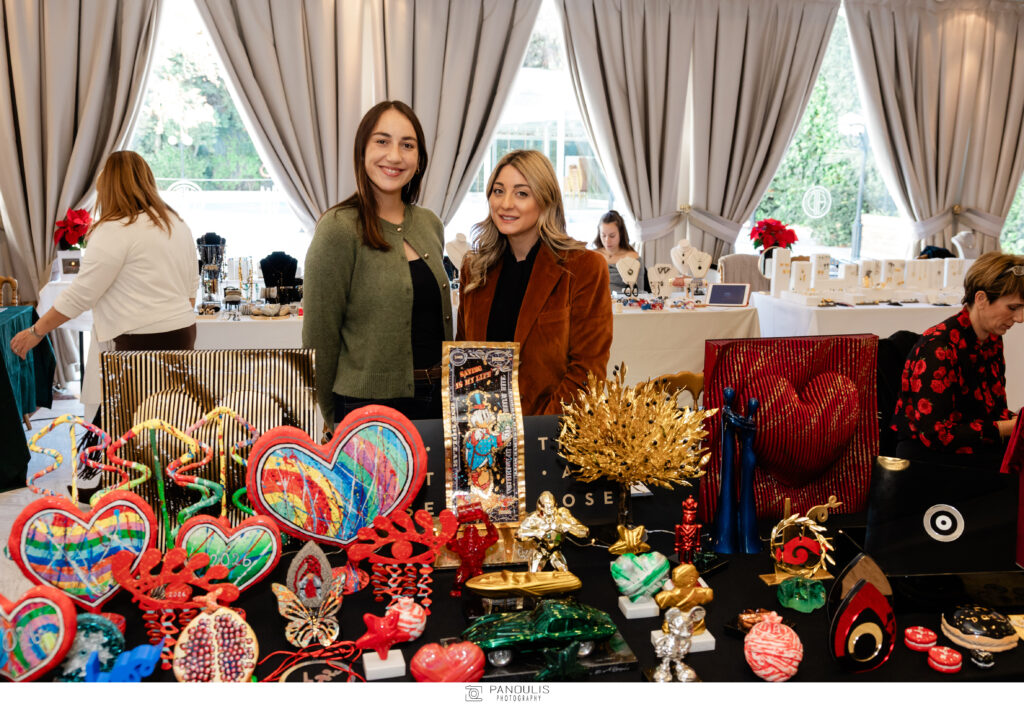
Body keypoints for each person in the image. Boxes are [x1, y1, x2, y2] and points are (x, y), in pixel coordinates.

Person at [302, 100, 452, 426]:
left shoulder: (430, 224)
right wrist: (333, 419)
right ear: (362, 151)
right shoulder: (338, 228)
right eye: (382, 141)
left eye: (407, 145)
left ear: (420, 160)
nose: (395, 156)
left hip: (436, 403)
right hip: (366, 409)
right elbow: (319, 337)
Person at [457, 149, 612, 416]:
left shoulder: (584, 268)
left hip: (551, 431)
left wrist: (534, 430)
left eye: (521, 193)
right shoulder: (474, 269)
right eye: (498, 191)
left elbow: (587, 374)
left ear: (545, 200)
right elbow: (464, 362)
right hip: (484, 431)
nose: (506, 204)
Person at [10, 151, 198, 360]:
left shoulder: (115, 228)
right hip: (183, 331)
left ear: (108, 188)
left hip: (141, 338)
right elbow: (192, 286)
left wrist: (36, 332)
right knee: (174, 385)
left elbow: (82, 294)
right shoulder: (176, 223)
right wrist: (171, 317)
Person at [891, 251, 1024, 468]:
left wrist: (1015, 423)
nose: (1020, 318)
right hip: (929, 461)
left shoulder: (991, 339)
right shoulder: (938, 346)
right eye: (1013, 308)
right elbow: (936, 434)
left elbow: (992, 411)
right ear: (981, 299)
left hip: (971, 449)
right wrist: (1010, 427)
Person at [592, 210, 645, 294]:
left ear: (621, 233)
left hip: (622, 301)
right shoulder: (592, 256)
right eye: (603, 235)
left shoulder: (633, 258)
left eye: (612, 236)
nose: (607, 240)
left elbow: (639, 292)